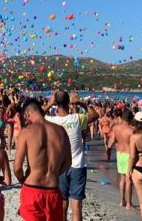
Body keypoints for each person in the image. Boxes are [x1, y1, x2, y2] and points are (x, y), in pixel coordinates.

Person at [13, 98, 71, 221]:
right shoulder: (61, 131)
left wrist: (22, 179)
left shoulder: (26, 132)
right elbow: (68, 162)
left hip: (32, 188)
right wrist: (55, 172)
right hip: (53, 189)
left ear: (27, 114)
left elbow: (17, 167)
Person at [45, 91, 99, 221]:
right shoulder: (77, 119)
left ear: (56, 103)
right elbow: (95, 115)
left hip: (59, 167)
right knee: (77, 208)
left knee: (62, 206)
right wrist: (80, 102)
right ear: (69, 103)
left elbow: (36, 117)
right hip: (77, 166)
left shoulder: (51, 121)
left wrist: (49, 104)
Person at [107, 110, 135, 210]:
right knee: (129, 180)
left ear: (122, 118)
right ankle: (129, 203)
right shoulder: (132, 130)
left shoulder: (116, 128)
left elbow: (111, 142)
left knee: (122, 178)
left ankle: (121, 200)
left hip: (119, 154)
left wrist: (108, 152)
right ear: (131, 119)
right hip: (129, 155)